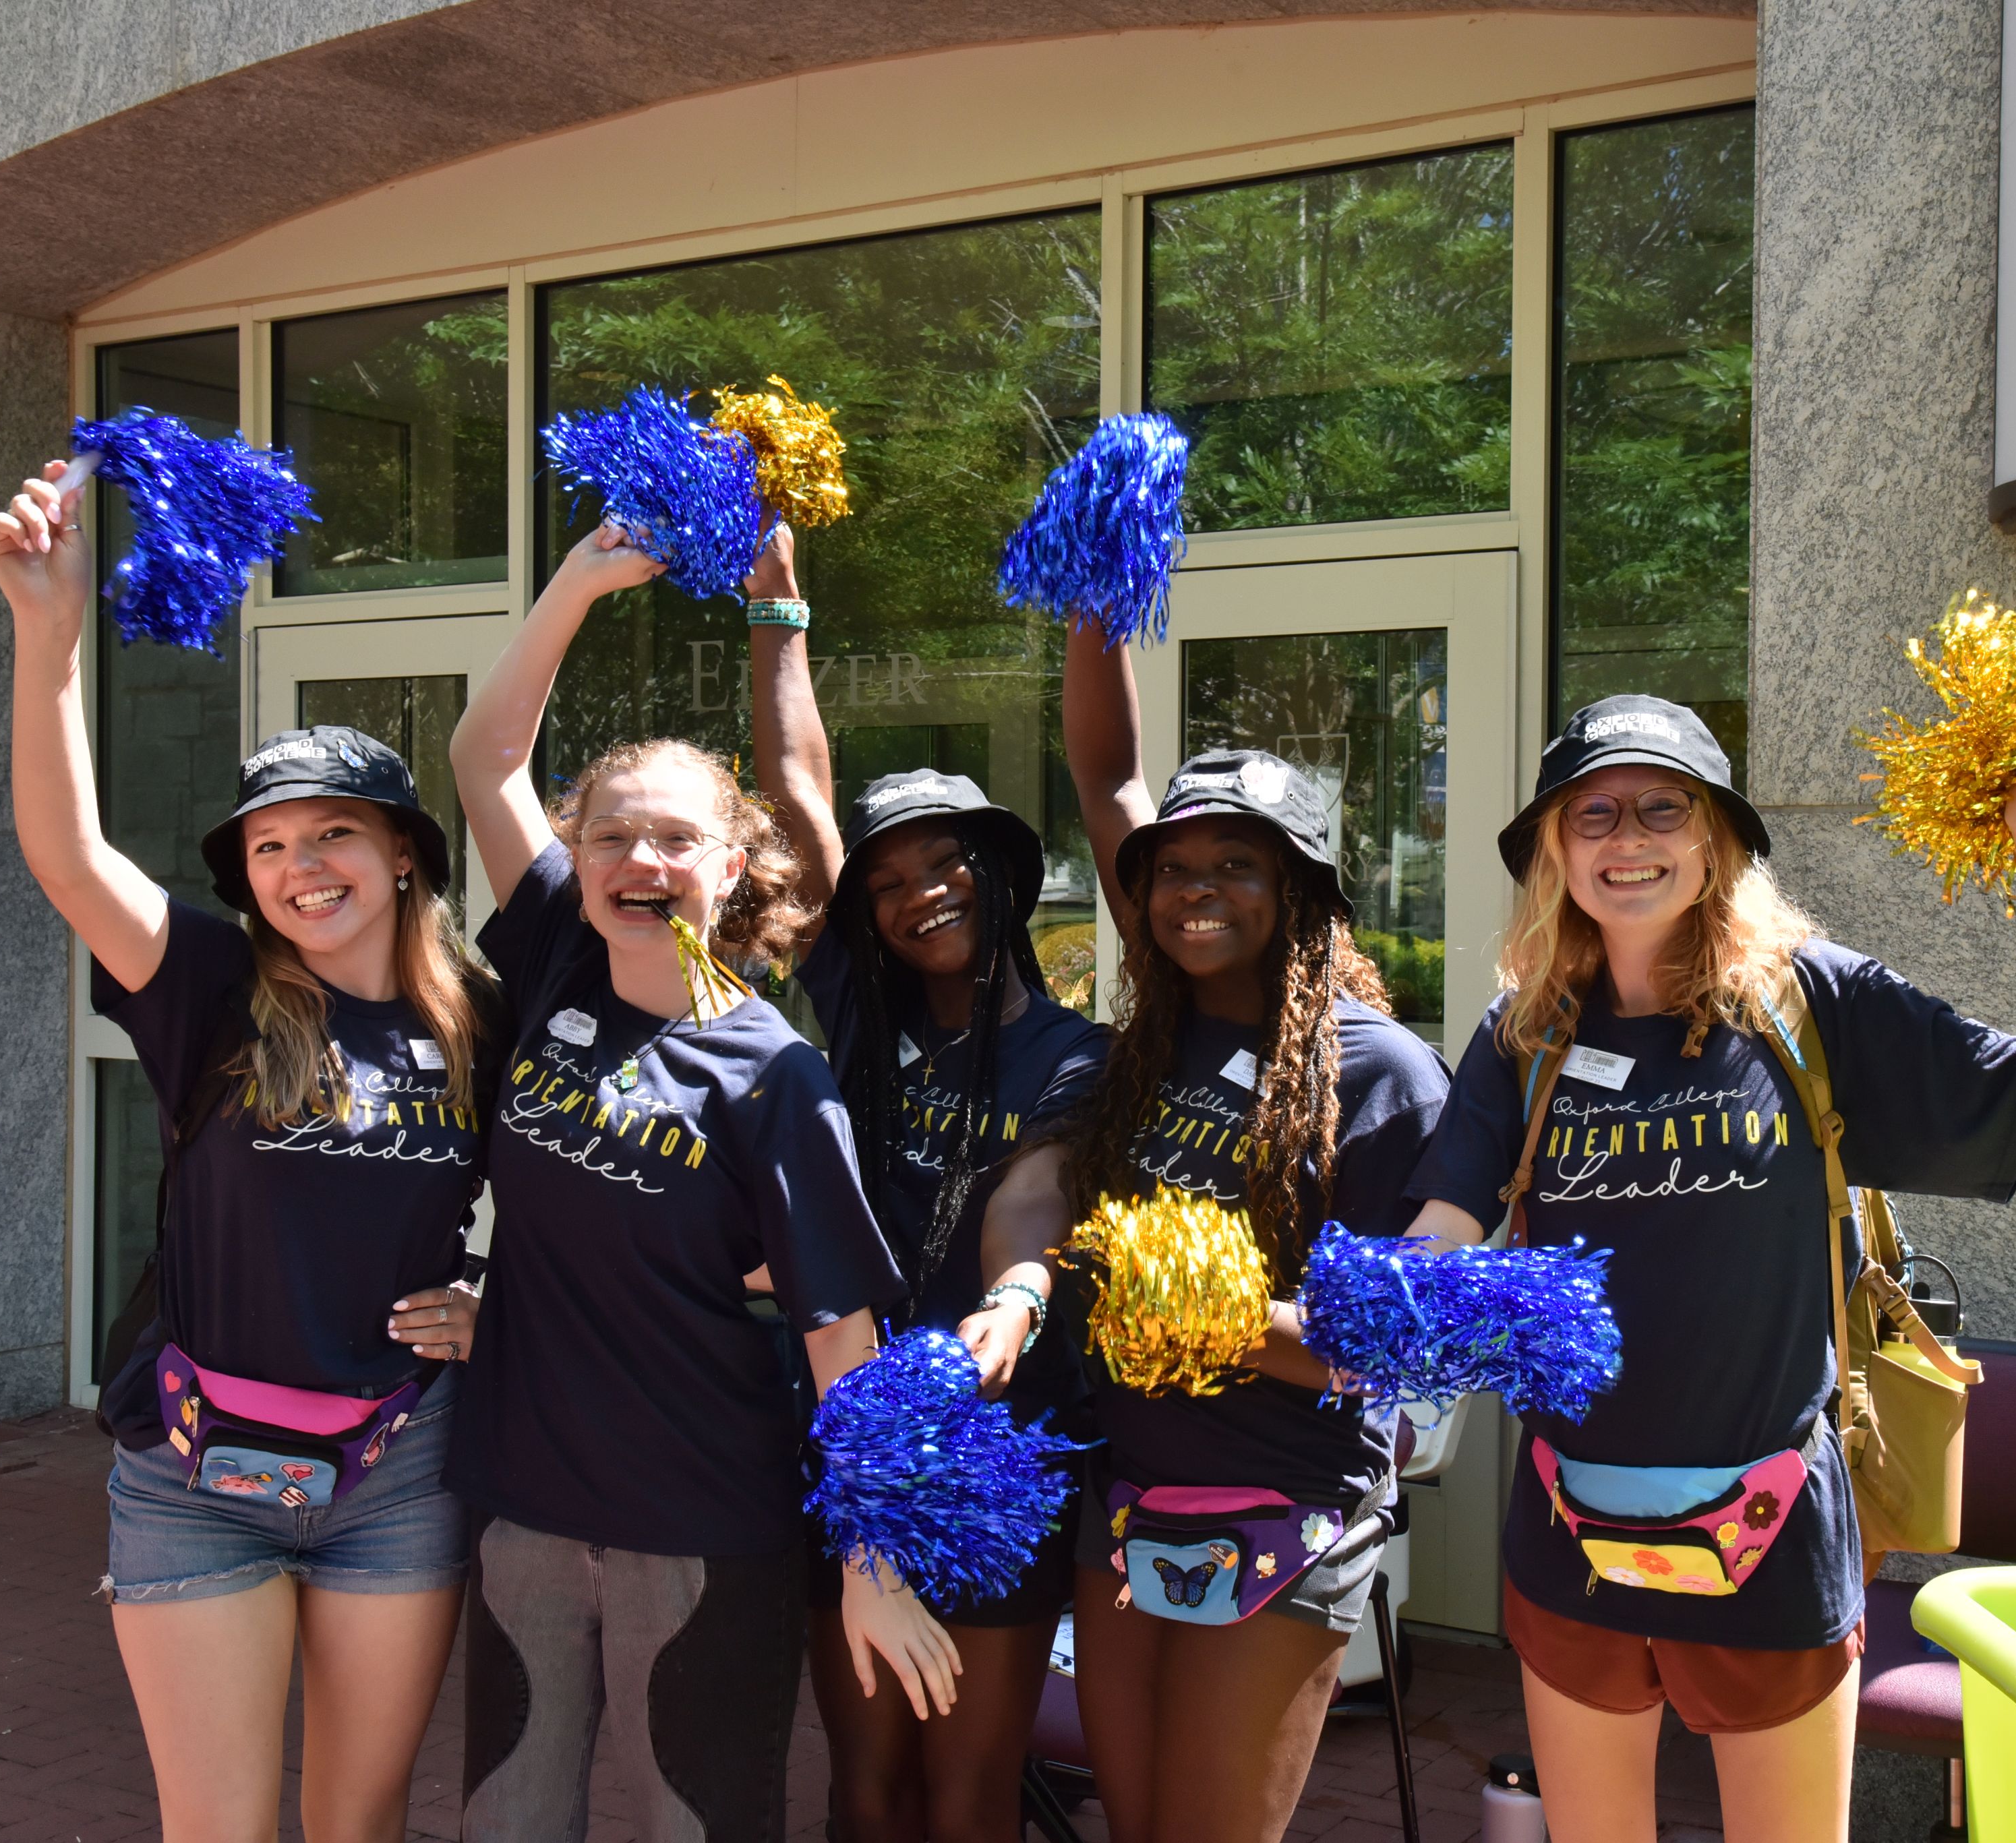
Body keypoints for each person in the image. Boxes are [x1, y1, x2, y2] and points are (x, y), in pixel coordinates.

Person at [1400, 695, 2016, 1843]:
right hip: (1567, 1520)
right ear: (1554, 846)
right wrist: (1382, 1300)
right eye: (1592, 813)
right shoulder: (1524, 1030)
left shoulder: (1807, 1000)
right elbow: (1447, 1222)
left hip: (1773, 1524)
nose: (1626, 838)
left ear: (1714, 839)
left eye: (1661, 808)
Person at [0, 462, 494, 1843]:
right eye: (270, 844)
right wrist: (49, 629)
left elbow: (581, 1187)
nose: (299, 865)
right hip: (198, 1469)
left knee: (358, 1815)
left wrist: (491, 1298)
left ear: (404, 854)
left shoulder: (477, 1013)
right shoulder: (210, 983)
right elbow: (67, 853)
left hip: (399, 1464)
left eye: (333, 831)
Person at [442, 520, 960, 1843]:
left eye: (677, 839)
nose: (641, 862)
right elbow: (483, 755)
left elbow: (845, 1334)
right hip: (525, 1505)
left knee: (702, 1821)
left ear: (733, 866)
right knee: (512, 1815)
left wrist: (872, 1560)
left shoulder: (771, 1070)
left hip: (703, 1523)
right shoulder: (560, 950)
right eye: (613, 834)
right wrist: (575, 582)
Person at [1045, 634, 1451, 1843]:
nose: (1197, 889)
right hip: (1125, 1496)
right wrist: (1093, 605)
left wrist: (1194, 1312)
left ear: (1303, 892)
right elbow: (1106, 772)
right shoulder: (1141, 1048)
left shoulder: (1381, 1075)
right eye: (1173, 869)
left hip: (1289, 1510)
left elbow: (1389, 1356)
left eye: (1239, 863)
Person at [742, 523, 1110, 1843]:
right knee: (863, 1783)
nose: (921, 893)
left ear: (1001, 875)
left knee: (967, 1794)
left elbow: (1045, 1195)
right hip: (852, 1437)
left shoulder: (1080, 1055)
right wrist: (777, 614)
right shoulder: (853, 1020)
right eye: (890, 879)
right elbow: (795, 791)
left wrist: (1010, 1296)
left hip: (1003, 1445)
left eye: (947, 863)